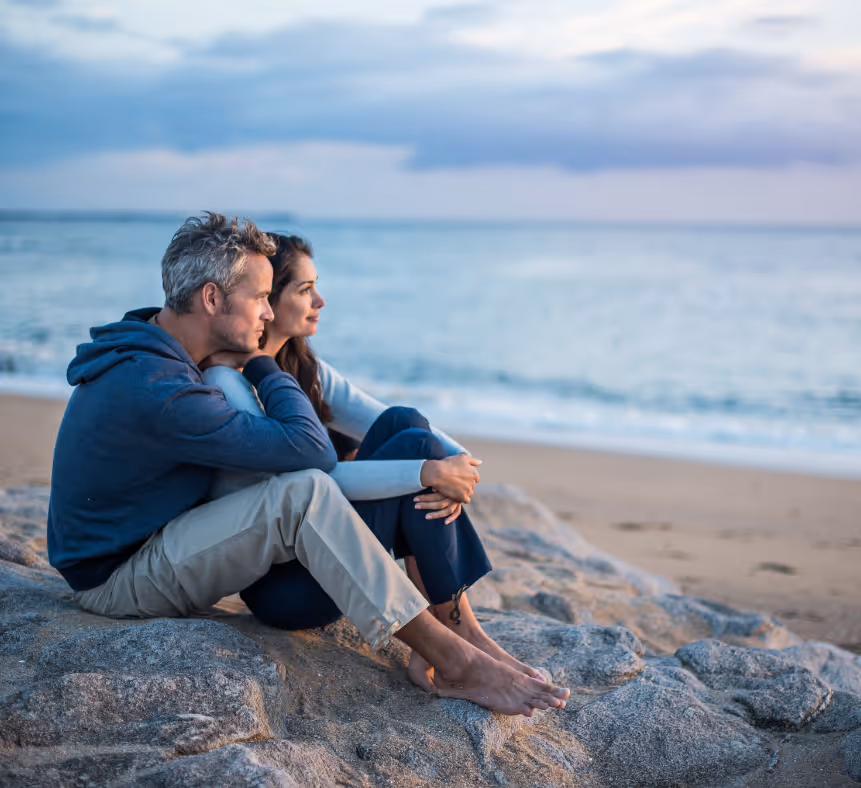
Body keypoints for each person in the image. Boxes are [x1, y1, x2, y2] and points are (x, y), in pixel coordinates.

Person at [46, 212, 569, 717]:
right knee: (303, 495)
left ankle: (457, 634)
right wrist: (261, 361)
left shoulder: (157, 354)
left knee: (396, 434)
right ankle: (454, 658)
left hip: (146, 543)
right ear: (211, 297)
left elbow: (333, 438)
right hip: (117, 578)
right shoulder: (163, 389)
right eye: (257, 298)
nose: (269, 313)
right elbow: (312, 452)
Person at [203, 233, 543, 691]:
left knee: (406, 423)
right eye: (303, 290)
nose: (320, 300)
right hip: (284, 589)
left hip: (328, 557)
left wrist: (457, 469)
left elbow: (403, 427)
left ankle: (452, 629)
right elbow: (306, 491)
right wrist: (428, 472)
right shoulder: (230, 382)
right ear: (268, 300)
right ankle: (455, 631)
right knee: (417, 455)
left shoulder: (301, 368)